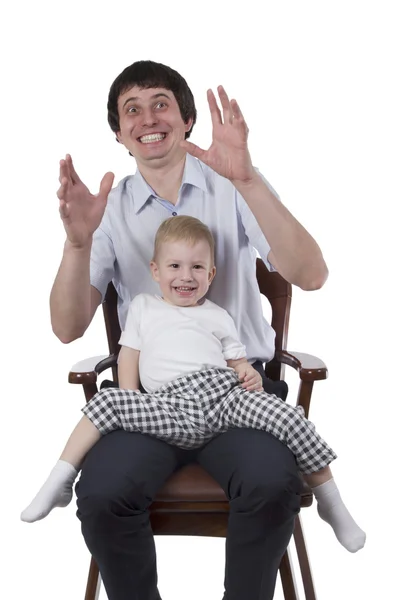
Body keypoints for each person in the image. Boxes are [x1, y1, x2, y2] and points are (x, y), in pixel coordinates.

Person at [39, 59, 336, 600]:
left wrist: (246, 178)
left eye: (160, 104)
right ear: (119, 133)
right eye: (132, 109)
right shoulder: (111, 210)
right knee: (102, 494)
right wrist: (78, 244)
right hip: (146, 403)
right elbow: (66, 327)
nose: (147, 118)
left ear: (186, 120)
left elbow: (311, 274)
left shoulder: (232, 186)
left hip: (239, 396)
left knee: (272, 484)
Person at [22, 215, 366, 560]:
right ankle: (60, 479)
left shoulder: (217, 315)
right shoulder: (144, 307)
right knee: (107, 402)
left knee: (291, 418)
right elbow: (129, 356)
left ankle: (330, 501)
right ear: (155, 271)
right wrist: (130, 399)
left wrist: (250, 375)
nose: (186, 276)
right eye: (175, 265)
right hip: (167, 404)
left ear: (211, 274)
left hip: (223, 398)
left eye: (198, 267)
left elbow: (237, 360)